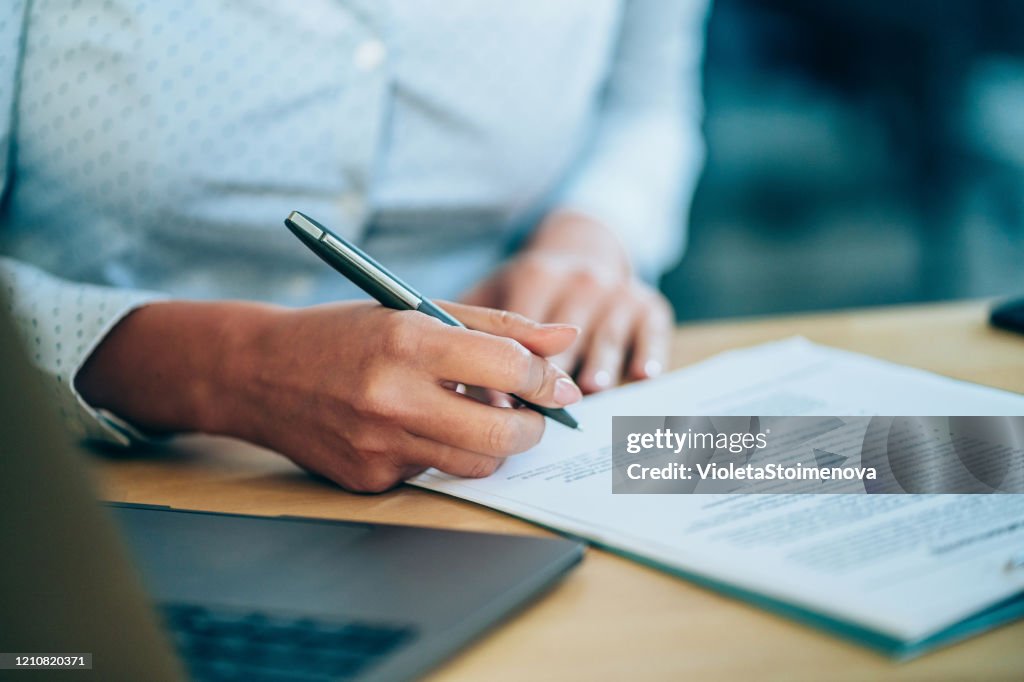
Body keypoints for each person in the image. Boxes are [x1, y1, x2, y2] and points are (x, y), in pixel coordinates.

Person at [0, 1, 707, 491]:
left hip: (483, 473)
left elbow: (643, 104)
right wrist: (231, 370)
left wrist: (590, 234)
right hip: (78, 476)